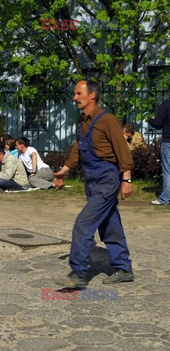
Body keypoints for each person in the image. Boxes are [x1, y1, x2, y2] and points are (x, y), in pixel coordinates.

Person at [54, 79, 134, 289]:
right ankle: (124, 268)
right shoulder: (83, 122)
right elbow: (78, 147)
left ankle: (78, 273)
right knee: (109, 224)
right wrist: (65, 169)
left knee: (83, 224)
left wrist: (126, 180)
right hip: (91, 180)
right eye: (74, 94)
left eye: (79, 93)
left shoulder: (107, 120)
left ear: (92, 95)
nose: (75, 97)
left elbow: (122, 151)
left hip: (107, 180)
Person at [149, 94, 170, 206]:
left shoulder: (166, 104)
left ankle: (165, 198)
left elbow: (158, 123)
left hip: (168, 141)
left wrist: (150, 120)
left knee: (167, 171)